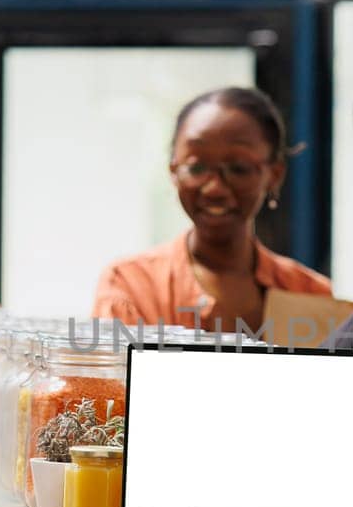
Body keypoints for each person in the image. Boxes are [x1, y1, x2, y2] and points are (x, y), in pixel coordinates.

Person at [93, 86, 331, 332]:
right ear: (174, 171)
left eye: (238, 168)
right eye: (197, 168)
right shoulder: (130, 285)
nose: (214, 188)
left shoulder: (311, 294)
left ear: (274, 175)